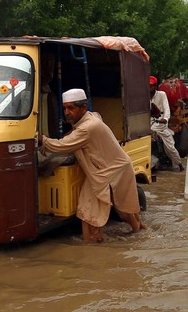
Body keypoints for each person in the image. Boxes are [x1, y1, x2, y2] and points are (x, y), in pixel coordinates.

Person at [37, 88, 143, 243]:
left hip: (113, 170)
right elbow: (91, 122)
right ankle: (128, 235)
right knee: (90, 211)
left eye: (71, 108)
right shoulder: (91, 118)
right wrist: (71, 134)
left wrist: (41, 139)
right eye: (65, 108)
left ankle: (132, 235)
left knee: (122, 209)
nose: (66, 112)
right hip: (104, 169)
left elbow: (61, 146)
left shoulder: (87, 127)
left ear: (84, 108)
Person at [148, 76, 184, 172]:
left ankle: (179, 164)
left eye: (151, 86)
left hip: (160, 123)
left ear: (155, 86)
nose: (149, 88)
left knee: (170, 148)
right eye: (148, 86)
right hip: (149, 123)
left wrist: (165, 119)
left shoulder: (161, 94)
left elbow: (166, 109)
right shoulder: (144, 96)